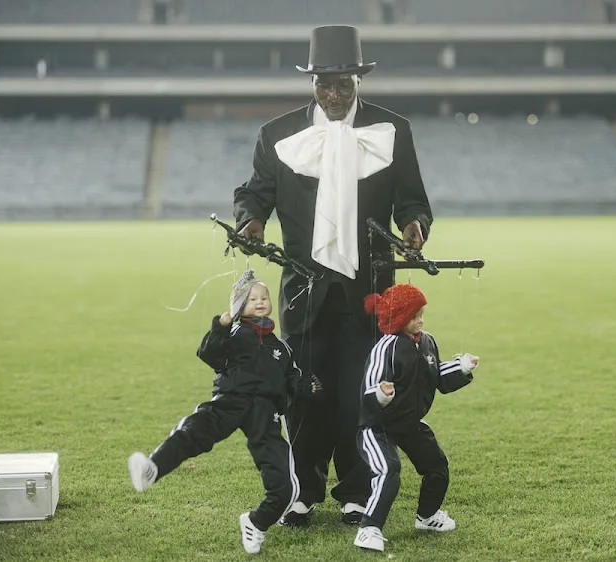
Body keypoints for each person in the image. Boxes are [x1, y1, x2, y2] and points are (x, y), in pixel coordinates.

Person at [233, 24, 434, 526]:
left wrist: (414, 226)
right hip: (305, 286)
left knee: (362, 392)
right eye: (326, 84)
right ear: (313, 83)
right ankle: (301, 492)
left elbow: (413, 199)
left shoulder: (392, 130)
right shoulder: (277, 134)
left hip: (371, 289)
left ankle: (356, 491)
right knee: (303, 390)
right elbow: (254, 194)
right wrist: (251, 219)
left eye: (344, 83)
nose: (336, 94)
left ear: (358, 80)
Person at [127, 270, 321, 554]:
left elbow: (293, 380)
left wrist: (308, 387)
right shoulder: (232, 333)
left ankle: (256, 522)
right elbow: (207, 353)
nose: (259, 301)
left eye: (264, 297)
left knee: (286, 486)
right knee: (194, 431)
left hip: (266, 413)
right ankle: (151, 469)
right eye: (251, 298)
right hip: (230, 399)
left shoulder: (282, 347)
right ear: (239, 305)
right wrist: (222, 323)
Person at [353, 283, 480, 552]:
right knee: (388, 470)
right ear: (399, 318)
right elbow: (369, 389)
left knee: (437, 464)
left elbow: (437, 378)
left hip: (409, 423)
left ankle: (427, 516)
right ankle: (368, 529)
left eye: (422, 314)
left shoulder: (427, 342)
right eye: (414, 316)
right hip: (378, 425)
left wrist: (462, 367)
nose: (420, 321)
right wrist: (382, 394)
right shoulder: (386, 347)